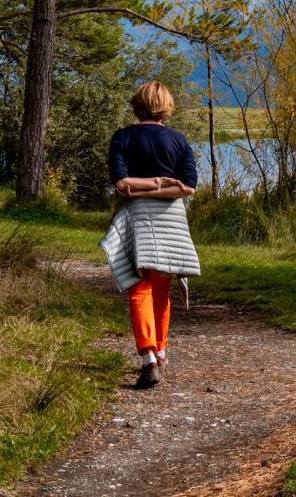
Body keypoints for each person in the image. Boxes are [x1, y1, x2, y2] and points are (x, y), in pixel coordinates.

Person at [100, 81, 201, 389]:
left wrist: (141, 184)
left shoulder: (124, 137)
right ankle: (161, 351)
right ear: (166, 107)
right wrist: (162, 182)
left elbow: (122, 183)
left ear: (136, 105)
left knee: (140, 288)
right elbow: (186, 187)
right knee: (160, 290)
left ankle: (149, 359)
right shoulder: (179, 140)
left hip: (138, 217)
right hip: (172, 219)